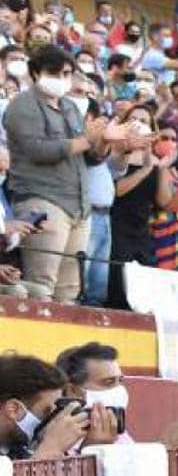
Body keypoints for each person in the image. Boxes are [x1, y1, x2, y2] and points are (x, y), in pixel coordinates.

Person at [5, 45, 119, 301]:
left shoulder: (69, 106)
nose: (62, 79)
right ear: (35, 73)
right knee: (41, 285)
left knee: (69, 291)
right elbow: (38, 150)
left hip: (79, 205)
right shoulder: (22, 105)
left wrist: (105, 141)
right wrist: (87, 140)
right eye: (54, 73)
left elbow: (89, 156)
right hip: (42, 200)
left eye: (67, 73)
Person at [55, 341, 178, 446]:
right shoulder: (61, 435)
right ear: (73, 390)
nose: (119, 389)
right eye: (108, 383)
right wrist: (165, 444)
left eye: (120, 381)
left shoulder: (116, 430)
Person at [0, 354, 87, 460]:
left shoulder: (14, 449)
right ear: (14, 409)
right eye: (47, 412)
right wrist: (51, 448)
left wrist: (88, 447)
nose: (53, 420)